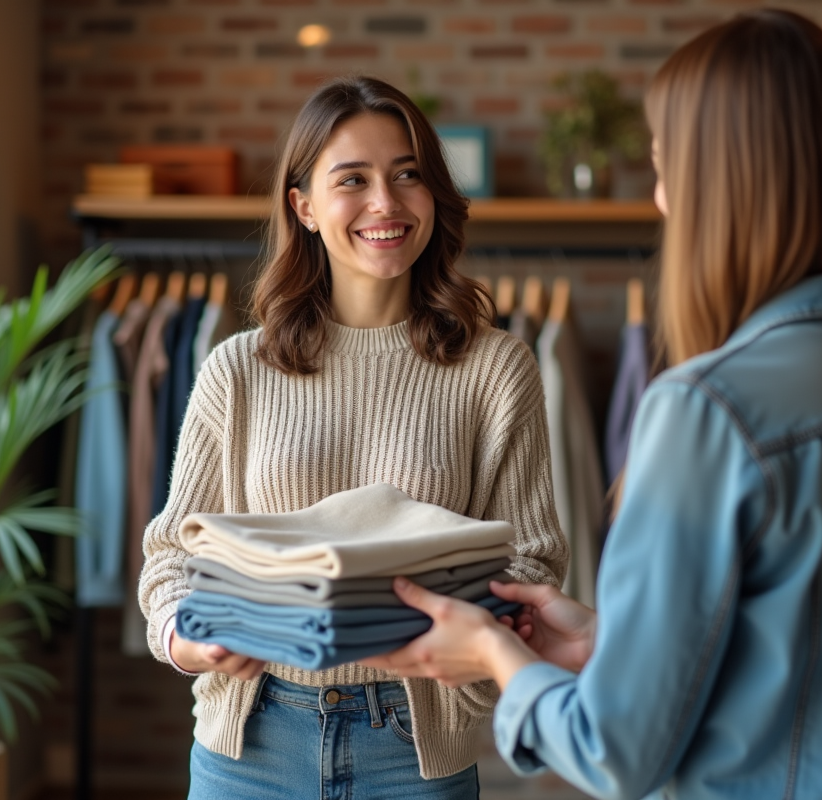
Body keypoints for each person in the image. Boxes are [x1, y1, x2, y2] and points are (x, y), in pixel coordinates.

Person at [362, 10, 822, 800]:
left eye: (664, 167)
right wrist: (613, 646)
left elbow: (613, 751)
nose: (660, 199)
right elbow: (817, 675)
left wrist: (493, 653)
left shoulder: (711, 411)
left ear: (719, 183)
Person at [137, 76, 569, 799]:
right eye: (353, 180)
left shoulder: (496, 369)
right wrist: (189, 638)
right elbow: (172, 557)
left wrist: (466, 664)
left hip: (412, 752)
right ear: (303, 206)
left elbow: (532, 561)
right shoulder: (236, 370)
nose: (385, 203)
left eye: (408, 175)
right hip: (250, 747)